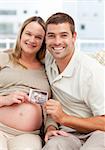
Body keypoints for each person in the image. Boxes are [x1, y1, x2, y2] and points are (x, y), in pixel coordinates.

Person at [42, 12, 105, 150]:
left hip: (98, 132)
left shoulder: (92, 72)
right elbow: (21, 53)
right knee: (52, 146)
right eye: (51, 36)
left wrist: (64, 118)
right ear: (45, 39)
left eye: (64, 35)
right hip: (67, 133)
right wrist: (51, 127)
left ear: (74, 37)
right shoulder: (48, 58)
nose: (57, 42)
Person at [0, 16, 51, 150]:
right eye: (28, 34)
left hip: (29, 135)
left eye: (38, 37)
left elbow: (52, 108)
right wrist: (5, 100)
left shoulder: (48, 69)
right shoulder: (4, 58)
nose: (32, 40)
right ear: (21, 34)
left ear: (43, 42)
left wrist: (51, 128)